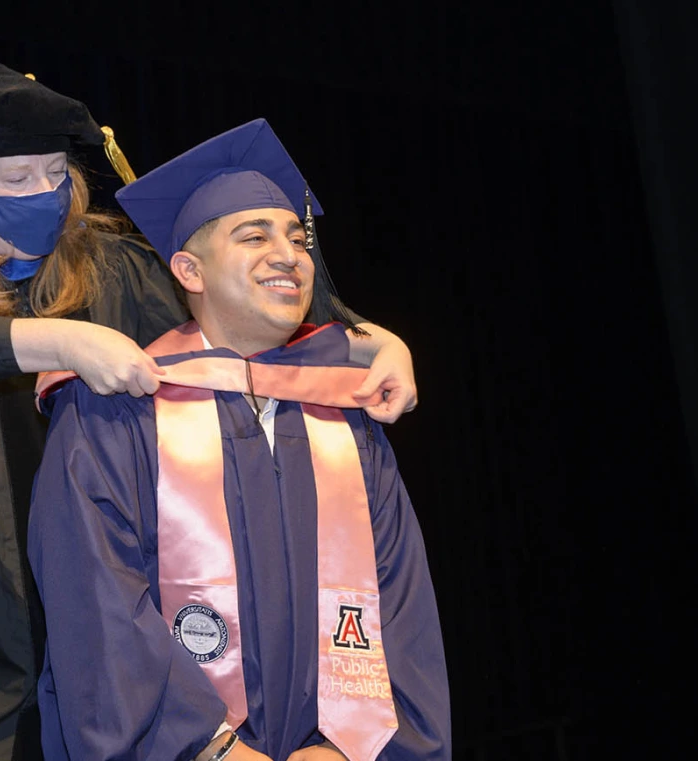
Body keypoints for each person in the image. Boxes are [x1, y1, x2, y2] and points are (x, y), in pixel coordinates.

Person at [0, 63, 419, 761]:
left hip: (92, 630)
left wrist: (375, 340)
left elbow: (233, 319)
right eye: (15, 180)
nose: (41, 193)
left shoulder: (108, 269)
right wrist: (52, 339)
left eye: (53, 174)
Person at [29, 119, 449, 761]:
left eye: (297, 237)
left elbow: (399, 600)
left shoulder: (346, 414)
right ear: (188, 270)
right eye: (254, 236)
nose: (289, 254)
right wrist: (205, 748)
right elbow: (97, 607)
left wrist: (348, 749)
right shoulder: (115, 411)